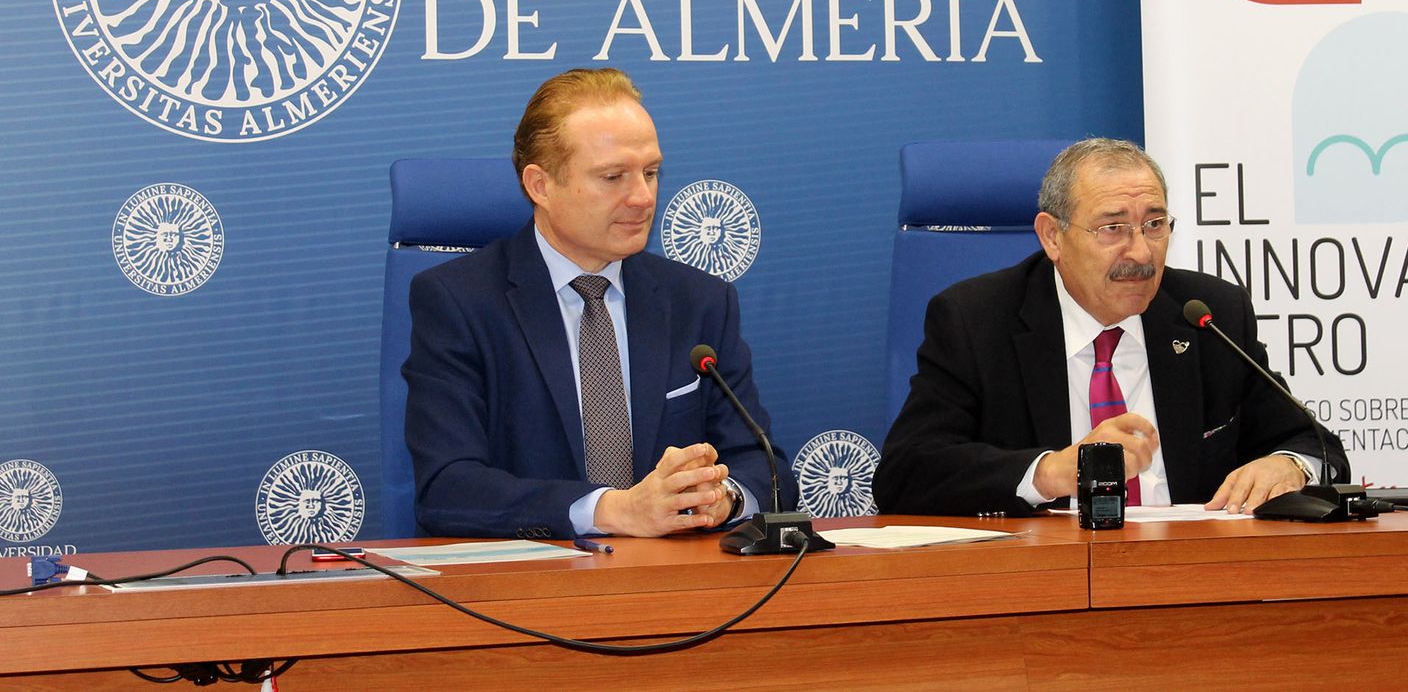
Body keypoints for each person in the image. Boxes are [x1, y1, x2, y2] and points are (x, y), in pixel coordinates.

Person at [403, 68, 795, 539]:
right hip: (533, 576)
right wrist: (613, 510)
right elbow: (448, 488)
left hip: (676, 574)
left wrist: (721, 497)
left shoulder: (700, 301)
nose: (642, 197)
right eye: (613, 177)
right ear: (540, 186)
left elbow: (764, 466)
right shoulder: (459, 302)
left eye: (650, 172)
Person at [874, 138, 1348, 517]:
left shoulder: (1208, 315)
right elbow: (905, 473)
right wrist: (1051, 472)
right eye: (1113, 228)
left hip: (1193, 574)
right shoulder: (976, 319)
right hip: (1044, 578)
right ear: (1053, 237)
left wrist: (1290, 466)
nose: (1141, 253)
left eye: (1154, 224)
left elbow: (1315, 442)